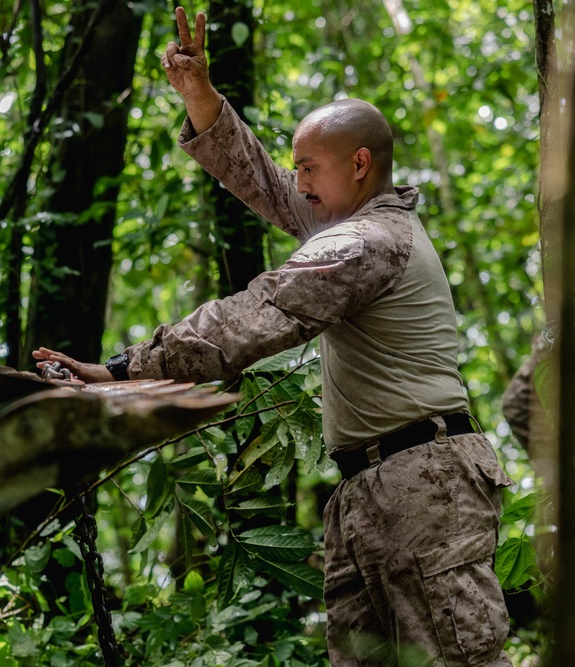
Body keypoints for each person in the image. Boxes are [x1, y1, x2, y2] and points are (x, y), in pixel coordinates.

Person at [33, 6, 514, 666]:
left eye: (310, 169)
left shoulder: (366, 241)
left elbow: (259, 314)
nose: (300, 184)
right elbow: (258, 178)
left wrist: (121, 368)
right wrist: (199, 94)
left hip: (422, 485)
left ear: (360, 164)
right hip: (369, 488)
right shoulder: (345, 217)